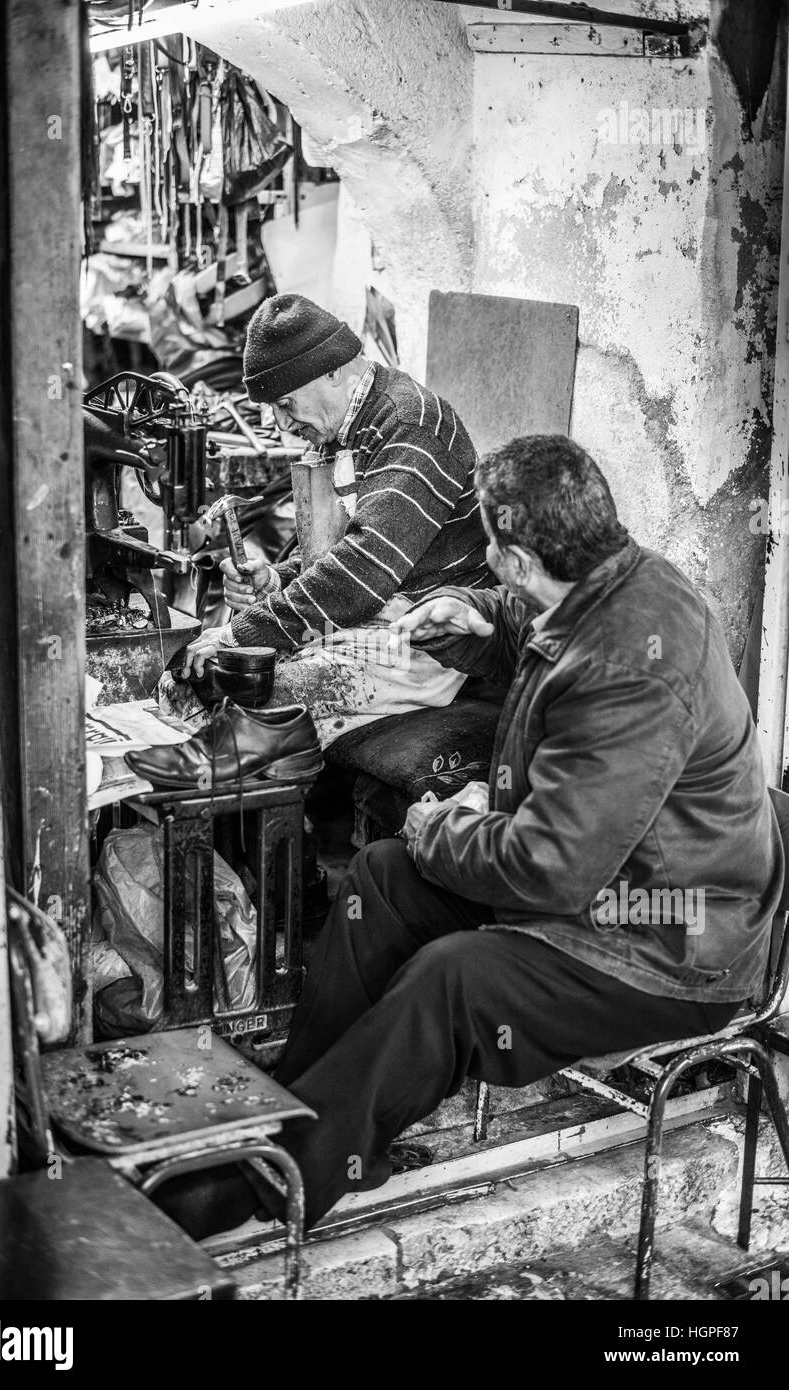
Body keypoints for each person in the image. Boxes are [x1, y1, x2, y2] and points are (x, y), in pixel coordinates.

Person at [204, 433, 782, 1233]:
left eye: (488, 553)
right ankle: (303, 1119)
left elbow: (550, 872)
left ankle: (272, 1190)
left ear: (511, 553)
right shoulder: (607, 579)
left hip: (673, 925)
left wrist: (439, 825)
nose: (487, 560)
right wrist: (474, 614)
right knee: (383, 875)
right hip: (616, 887)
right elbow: (543, 630)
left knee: (457, 974)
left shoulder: (632, 666)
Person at [178, 293, 491, 745]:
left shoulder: (411, 425)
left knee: (238, 698)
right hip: (362, 622)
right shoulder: (340, 430)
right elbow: (340, 553)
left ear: (332, 370)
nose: (282, 424)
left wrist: (238, 631)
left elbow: (364, 569)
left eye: (286, 404)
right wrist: (277, 579)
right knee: (193, 683)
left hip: (420, 639)